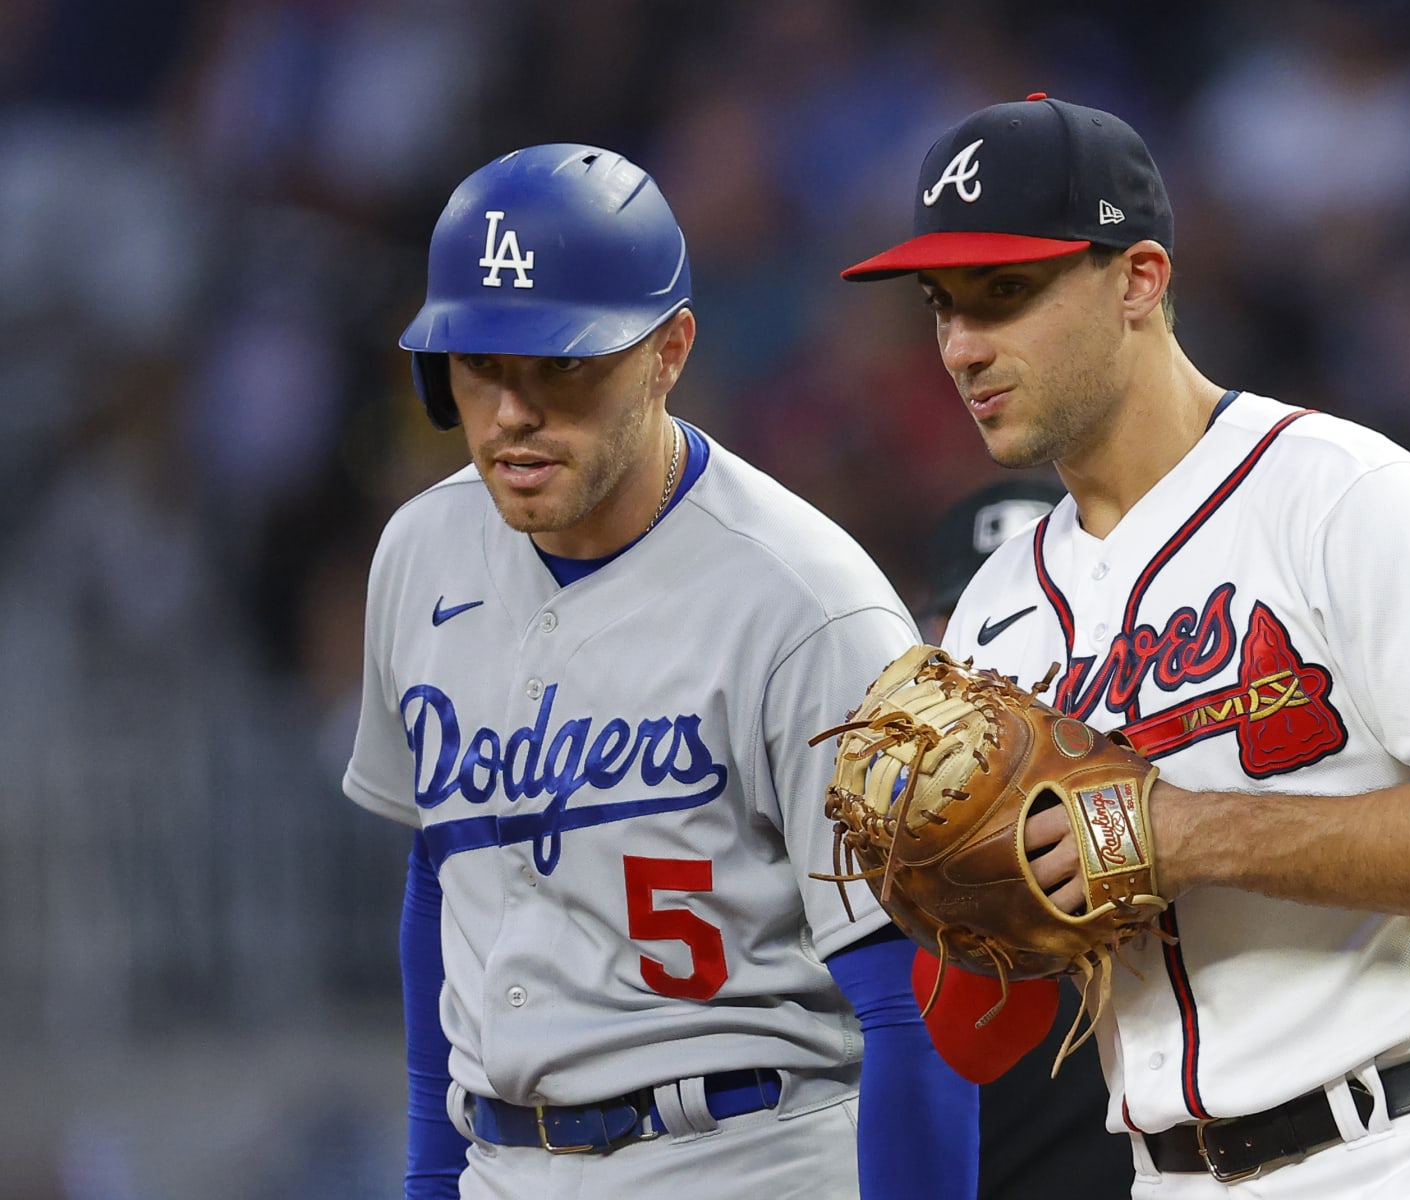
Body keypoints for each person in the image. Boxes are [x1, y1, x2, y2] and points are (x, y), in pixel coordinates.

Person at [841, 96, 1410, 1197]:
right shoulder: (991, 614)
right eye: (942, 307)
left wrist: (1182, 833)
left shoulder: (1348, 498)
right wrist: (952, 900)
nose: (965, 346)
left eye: (1005, 294)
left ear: (1140, 280)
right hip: (1169, 1173)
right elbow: (982, 1040)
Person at [343, 143, 977, 1200]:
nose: (511, 414)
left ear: (669, 349)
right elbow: (442, 883)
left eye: (561, 365)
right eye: (482, 364)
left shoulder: (809, 603)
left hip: (746, 1152)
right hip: (503, 1162)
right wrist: (428, 1177)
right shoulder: (419, 554)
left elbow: (912, 998)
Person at [922, 479, 1135, 1200]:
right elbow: (958, 1045)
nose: (1004, 677)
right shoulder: (899, 854)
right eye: (975, 629)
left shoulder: (1171, 789)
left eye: (1042, 630)